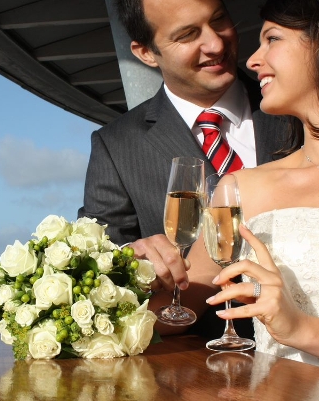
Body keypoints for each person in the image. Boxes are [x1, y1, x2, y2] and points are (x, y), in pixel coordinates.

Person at [186, 0, 319, 380]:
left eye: (271, 38)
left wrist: (300, 328)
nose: (252, 61)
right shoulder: (241, 189)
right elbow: (174, 309)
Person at [78, 0, 292, 334]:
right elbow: (98, 264)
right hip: (191, 363)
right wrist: (131, 259)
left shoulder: (298, 111)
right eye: (188, 35)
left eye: (219, 20)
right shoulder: (116, 145)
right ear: (146, 53)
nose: (216, 44)